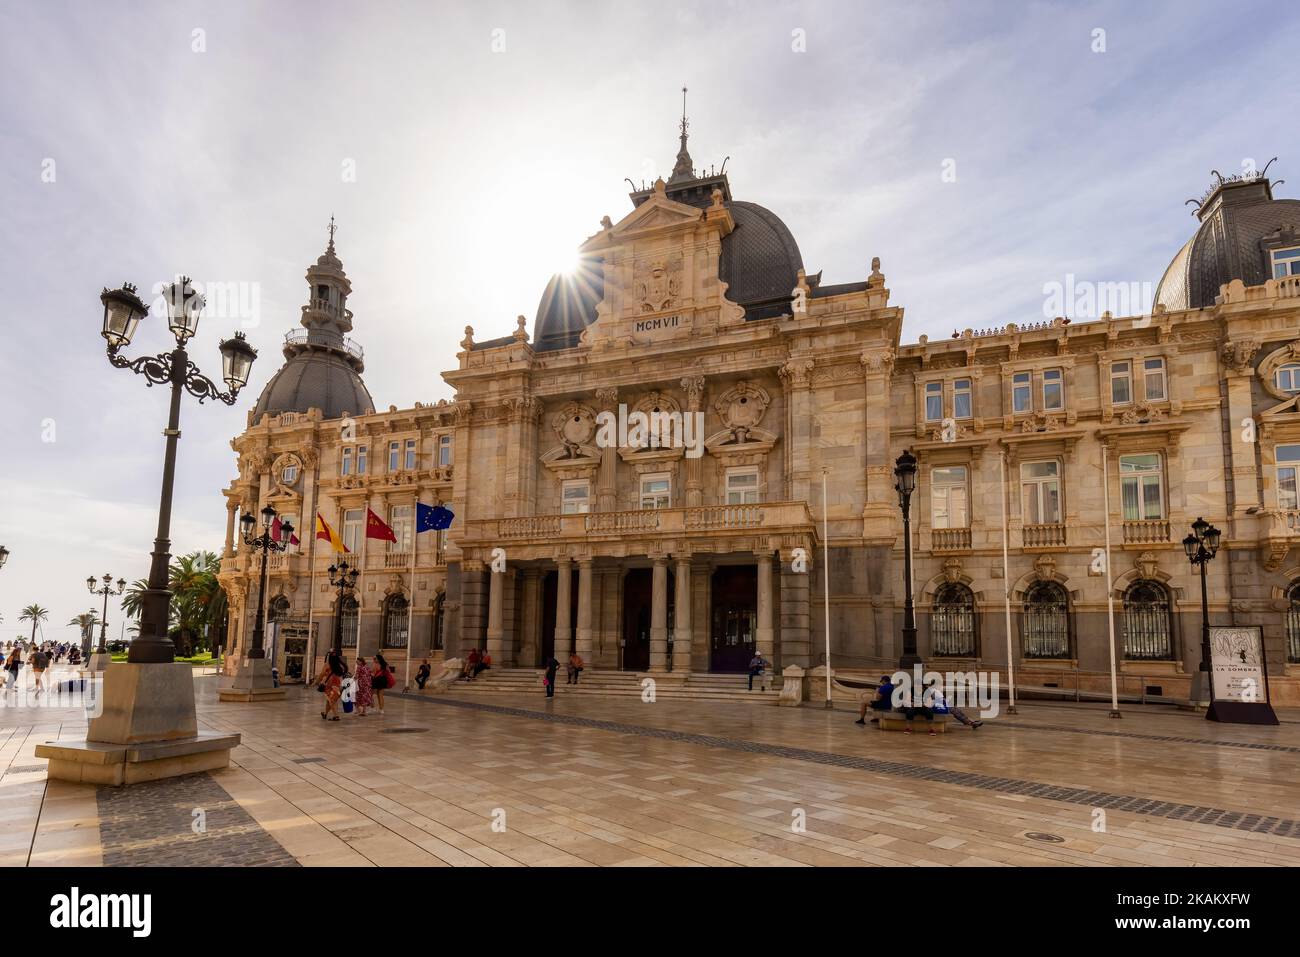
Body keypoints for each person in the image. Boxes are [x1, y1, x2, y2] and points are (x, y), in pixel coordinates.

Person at [315, 650, 346, 720]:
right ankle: (325, 714)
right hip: (338, 685)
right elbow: (342, 674)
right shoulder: (340, 665)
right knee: (331, 700)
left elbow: (321, 674)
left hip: (329, 685)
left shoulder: (327, 664)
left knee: (331, 700)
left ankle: (336, 716)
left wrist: (316, 682)